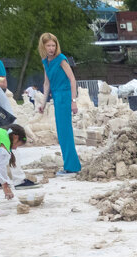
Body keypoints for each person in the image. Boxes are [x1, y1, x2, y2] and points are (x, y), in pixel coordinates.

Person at [38, 32, 80, 175]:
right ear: (43, 46)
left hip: (64, 95)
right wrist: (43, 103)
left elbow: (72, 80)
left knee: (65, 131)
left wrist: (73, 101)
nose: (51, 48)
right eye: (48, 45)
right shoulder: (45, 62)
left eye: (53, 45)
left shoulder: (61, 59)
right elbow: (46, 83)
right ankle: (70, 165)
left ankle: (72, 166)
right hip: (56, 96)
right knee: (61, 132)